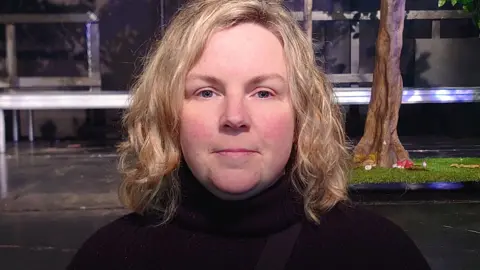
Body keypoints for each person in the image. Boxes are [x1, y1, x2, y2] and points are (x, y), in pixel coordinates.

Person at [67, 0, 431, 269]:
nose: (235, 117)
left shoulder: (379, 254)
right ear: (167, 112)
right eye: (206, 92)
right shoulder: (107, 258)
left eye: (263, 92)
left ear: (301, 113)